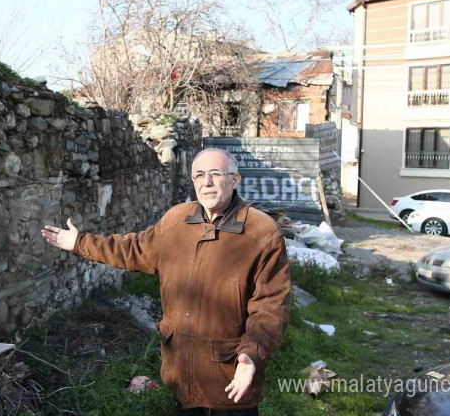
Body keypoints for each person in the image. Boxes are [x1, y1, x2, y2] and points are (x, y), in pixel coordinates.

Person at [41, 148, 290, 415]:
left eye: (215, 174)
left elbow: (270, 305)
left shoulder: (261, 232)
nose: (206, 183)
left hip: (230, 377)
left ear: (235, 179)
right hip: (181, 373)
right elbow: (133, 249)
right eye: (199, 175)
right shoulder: (176, 221)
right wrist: (79, 243)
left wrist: (251, 355)